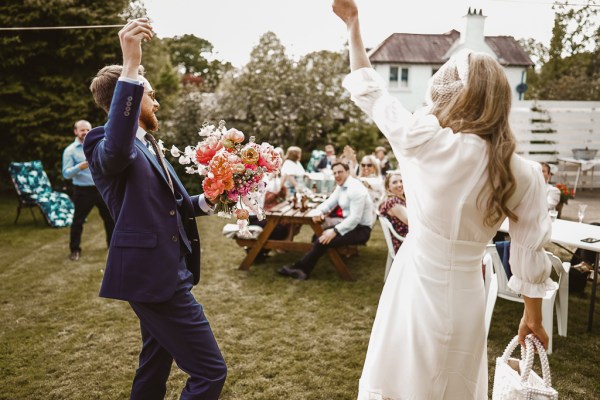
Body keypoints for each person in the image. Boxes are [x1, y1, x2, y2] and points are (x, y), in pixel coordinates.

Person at [332, 1, 554, 398]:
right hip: (469, 296)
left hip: (415, 287)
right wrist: (532, 317)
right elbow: (529, 253)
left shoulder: (425, 142)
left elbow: (368, 86)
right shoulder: (524, 172)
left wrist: (353, 24)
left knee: (399, 383)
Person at [84, 19, 226, 399]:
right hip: (155, 278)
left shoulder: (150, 146)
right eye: (149, 93)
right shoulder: (105, 142)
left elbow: (175, 206)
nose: (156, 100)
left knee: (155, 363)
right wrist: (131, 68)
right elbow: (116, 147)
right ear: (126, 100)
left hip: (165, 269)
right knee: (210, 372)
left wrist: (210, 200)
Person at [277, 161, 375, 280]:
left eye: (340, 172)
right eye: (334, 173)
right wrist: (318, 212)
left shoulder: (355, 189)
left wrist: (334, 231)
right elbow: (328, 203)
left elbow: (355, 218)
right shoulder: (341, 186)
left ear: (348, 172)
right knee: (319, 232)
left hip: (361, 230)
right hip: (349, 224)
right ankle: (306, 263)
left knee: (322, 240)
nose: (337, 175)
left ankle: (301, 269)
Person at [62, 120, 114, 261]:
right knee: (78, 222)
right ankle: (74, 250)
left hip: (101, 189)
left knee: (110, 219)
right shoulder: (70, 151)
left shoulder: (99, 146)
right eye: (82, 130)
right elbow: (66, 174)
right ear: (76, 132)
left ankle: (112, 247)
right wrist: (81, 166)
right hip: (82, 191)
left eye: (87, 130)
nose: (85, 132)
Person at [379, 172, 409, 252]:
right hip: (404, 242)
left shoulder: (400, 198)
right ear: (388, 187)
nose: (399, 184)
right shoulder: (393, 202)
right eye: (394, 182)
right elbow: (410, 221)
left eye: (401, 181)